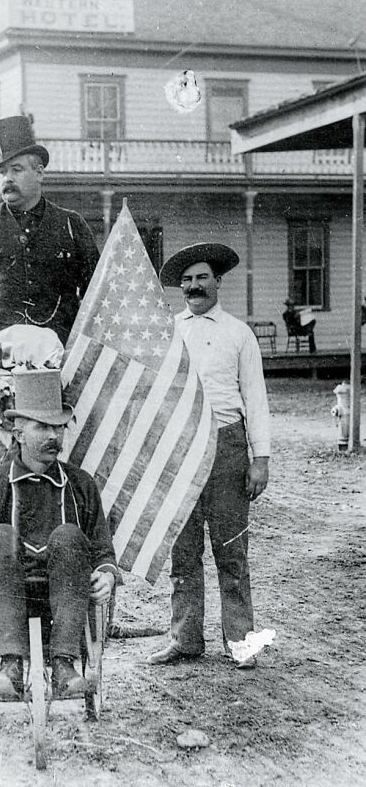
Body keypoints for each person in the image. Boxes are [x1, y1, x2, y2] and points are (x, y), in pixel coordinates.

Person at [0, 368, 118, 699]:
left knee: (69, 535)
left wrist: (106, 575)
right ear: (19, 433)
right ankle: (9, 663)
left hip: (67, 592)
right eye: (42, 427)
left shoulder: (81, 486)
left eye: (58, 427)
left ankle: (65, 664)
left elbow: (101, 548)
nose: (53, 435)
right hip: (6, 593)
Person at [148, 244, 270, 670]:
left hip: (228, 446)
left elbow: (255, 399)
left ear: (218, 281)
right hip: (181, 449)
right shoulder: (168, 331)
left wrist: (261, 458)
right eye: (186, 280)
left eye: (202, 278)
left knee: (231, 550)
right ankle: (184, 639)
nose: (194, 286)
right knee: (182, 551)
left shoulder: (238, 333)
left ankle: (241, 641)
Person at [0, 115, 100, 347]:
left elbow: (97, 295)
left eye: (16, 169)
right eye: (1, 172)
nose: (7, 178)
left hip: (57, 358)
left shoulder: (72, 225)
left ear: (39, 172)